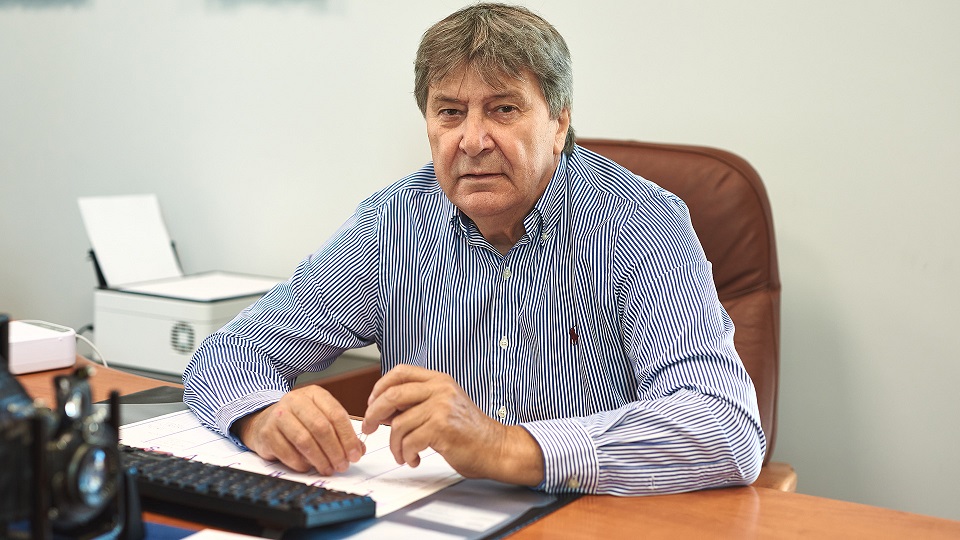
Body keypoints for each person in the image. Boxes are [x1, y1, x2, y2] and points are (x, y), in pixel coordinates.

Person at [183, 2, 765, 496]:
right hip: (428, 516)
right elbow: (226, 354)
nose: (473, 140)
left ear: (559, 122)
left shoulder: (639, 220)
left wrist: (504, 447)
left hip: (587, 518)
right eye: (450, 112)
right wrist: (260, 417)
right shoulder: (394, 221)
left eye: (504, 109)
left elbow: (726, 427)